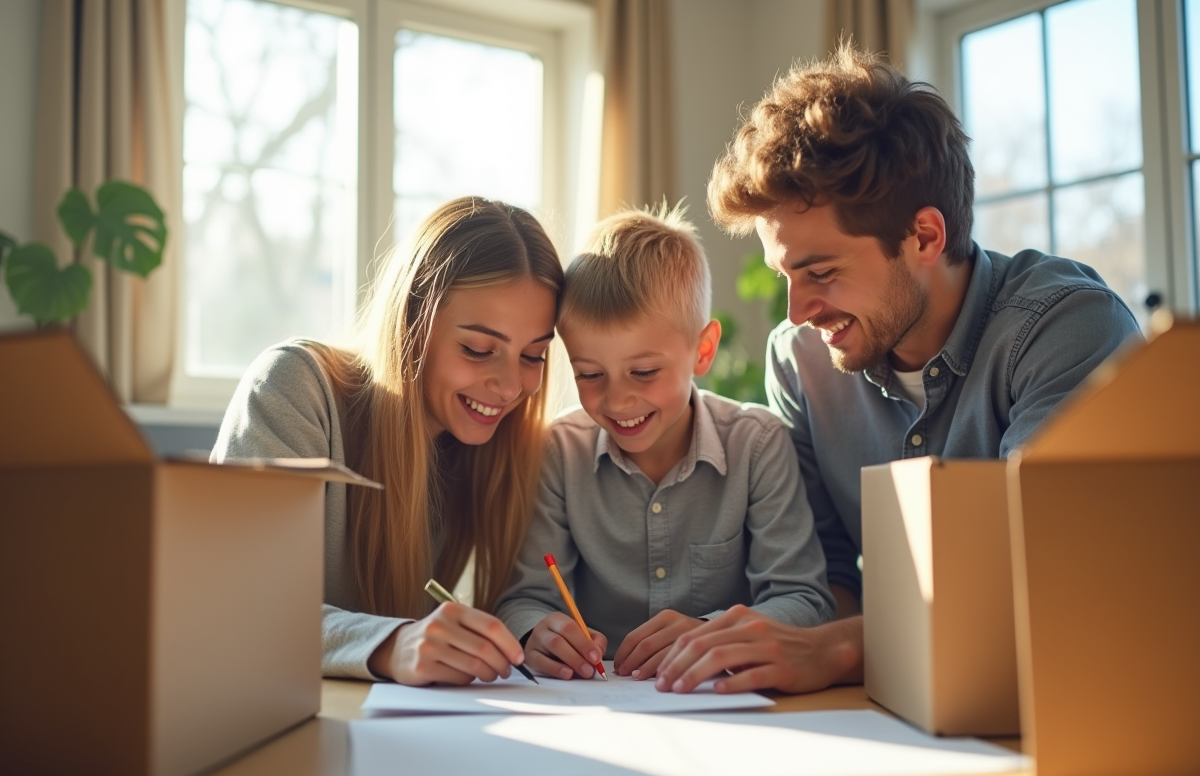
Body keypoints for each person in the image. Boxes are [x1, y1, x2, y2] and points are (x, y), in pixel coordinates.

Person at [654, 46, 1141, 695]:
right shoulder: (799, 362)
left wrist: (841, 650)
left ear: (925, 238)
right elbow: (826, 579)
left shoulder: (1065, 330)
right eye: (784, 276)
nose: (796, 311)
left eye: (821, 272)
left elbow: (1056, 580)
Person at [211, 197, 564, 685]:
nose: (509, 386)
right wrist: (391, 644)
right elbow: (236, 606)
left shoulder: (488, 446)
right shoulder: (292, 387)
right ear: (412, 325)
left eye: (534, 356)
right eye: (478, 349)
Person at [494, 205, 835, 682]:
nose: (616, 399)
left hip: (722, 708)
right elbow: (523, 600)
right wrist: (536, 632)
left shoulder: (758, 446)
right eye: (590, 375)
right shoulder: (557, 452)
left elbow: (806, 601)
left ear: (703, 349)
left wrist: (709, 634)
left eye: (644, 372)